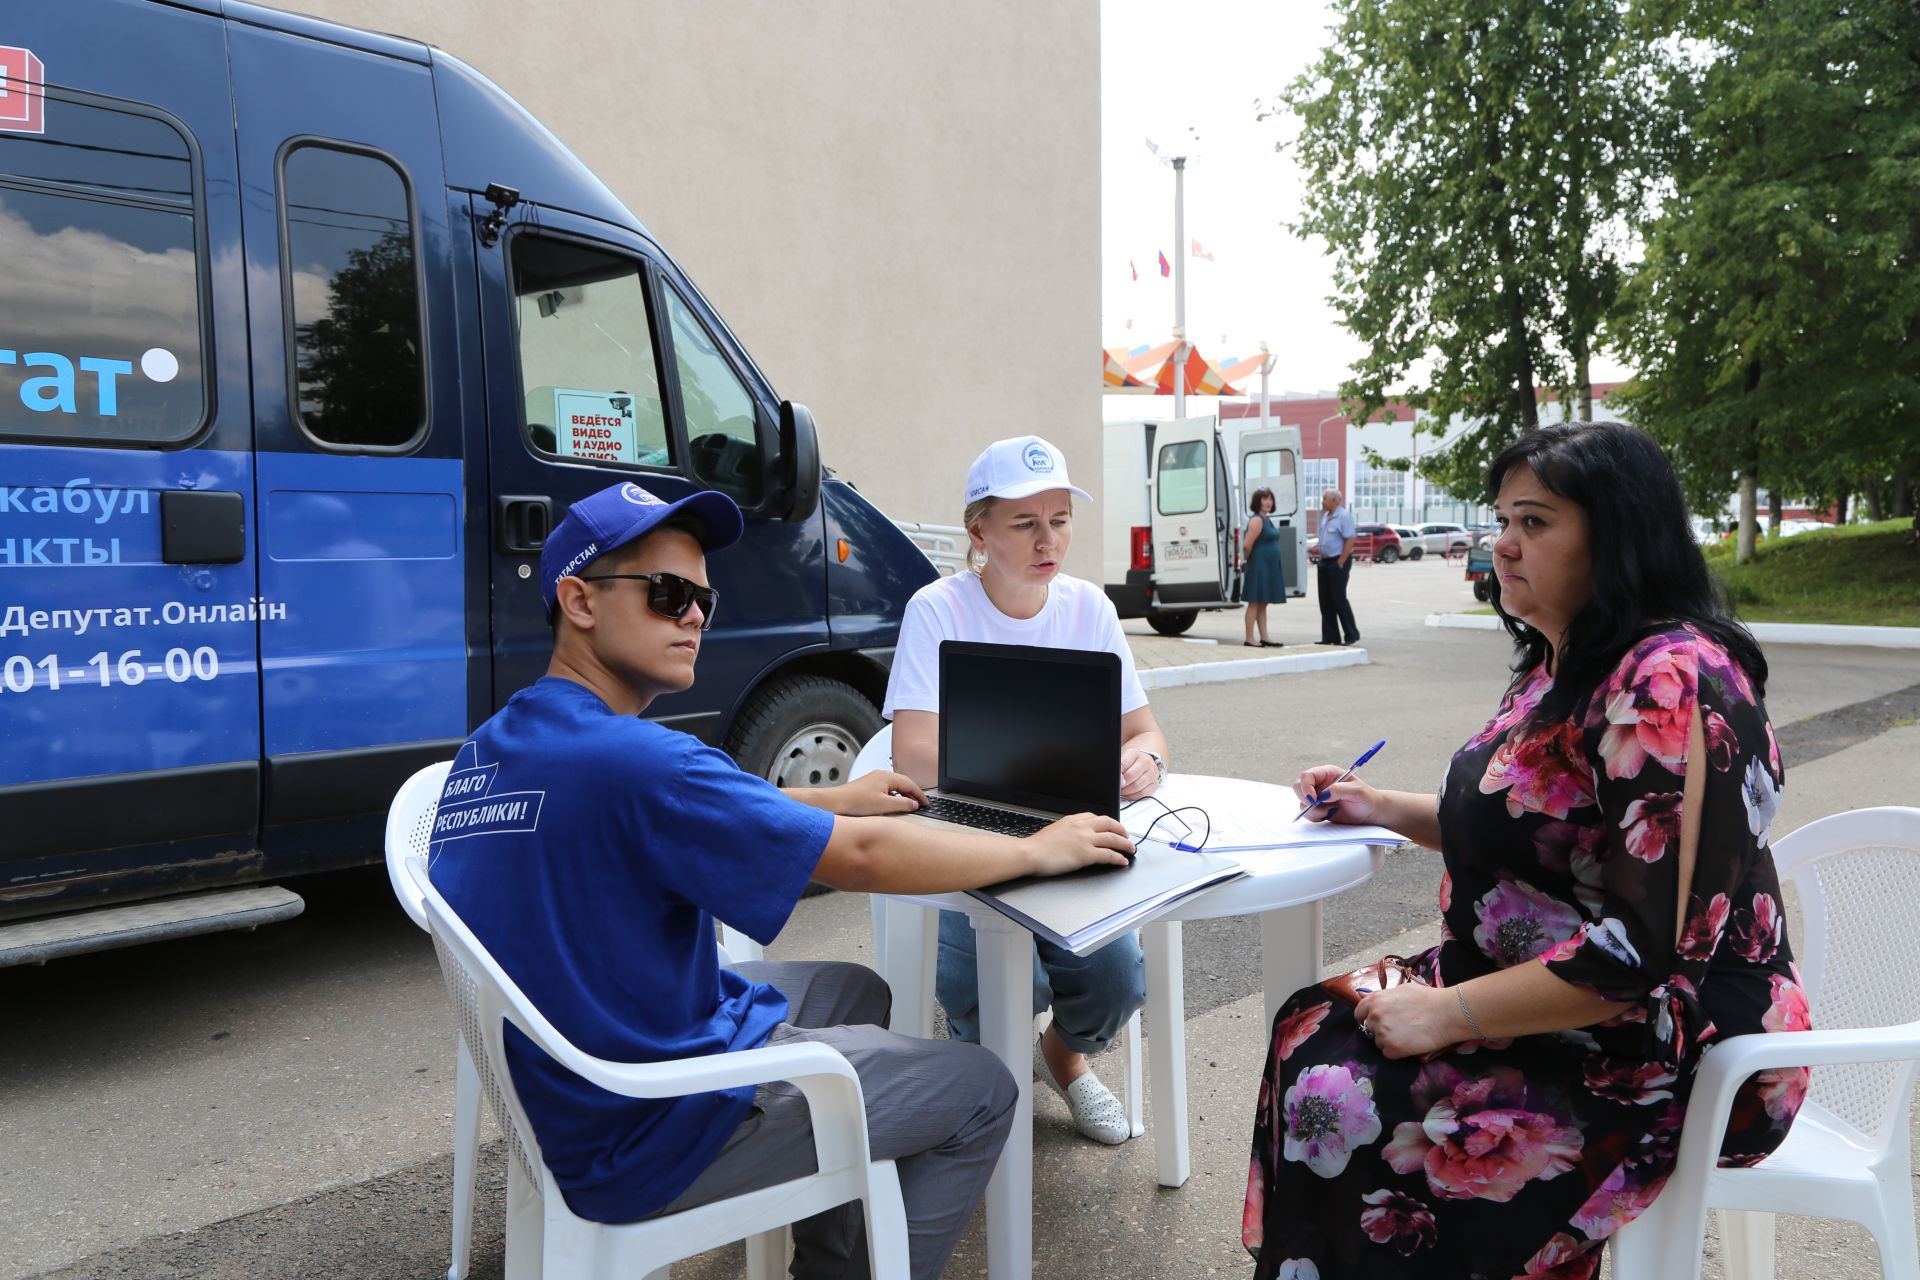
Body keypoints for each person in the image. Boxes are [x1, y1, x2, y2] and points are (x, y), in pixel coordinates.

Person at [428, 480, 1134, 1280]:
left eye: (702, 597)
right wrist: (1038, 848)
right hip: (648, 1124)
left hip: (569, 1079)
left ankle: (823, 1232)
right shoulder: (640, 762)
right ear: (578, 601)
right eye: (665, 593)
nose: (692, 614)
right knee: (980, 1088)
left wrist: (831, 797)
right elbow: (859, 859)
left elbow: (684, 803)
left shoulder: (495, 747)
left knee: (850, 991)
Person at [1241, 422, 1808, 1280]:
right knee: (1312, 1028)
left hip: (1664, 1041)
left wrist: (1443, 1014)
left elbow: (1641, 956)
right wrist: (1383, 807)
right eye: (1501, 518)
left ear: (1616, 535)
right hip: (1542, 993)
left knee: (1350, 1100)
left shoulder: (1667, 681)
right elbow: (1533, 825)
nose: (1502, 544)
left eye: (1534, 523)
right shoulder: (1565, 657)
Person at [884, 434, 1169, 1146]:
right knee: (987, 988)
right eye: (1026, 522)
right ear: (978, 530)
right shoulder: (938, 608)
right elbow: (915, 757)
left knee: (1119, 982)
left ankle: (1061, 1061)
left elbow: (1146, 732)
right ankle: (987, 1077)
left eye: (1061, 519)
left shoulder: (1089, 609)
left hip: (1073, 831)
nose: (1051, 540)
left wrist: (1145, 762)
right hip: (971, 834)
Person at [1241, 485, 1288, 647]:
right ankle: (1249, 638)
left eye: (1270, 499)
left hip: (1268, 567)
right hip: (1259, 567)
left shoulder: (1267, 519)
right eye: (1264, 498)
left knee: (1263, 602)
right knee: (1255, 602)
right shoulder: (1256, 520)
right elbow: (1247, 545)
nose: (1268, 502)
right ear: (1257, 501)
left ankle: (1265, 636)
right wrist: (1247, 561)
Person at [1316, 487, 1359, 646]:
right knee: (1325, 600)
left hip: (1337, 561)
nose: (1322, 501)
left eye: (1324, 498)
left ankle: (1351, 634)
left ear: (1334, 500)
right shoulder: (1326, 516)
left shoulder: (1343, 516)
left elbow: (1350, 539)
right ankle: (1330, 636)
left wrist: (1341, 561)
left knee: (1338, 598)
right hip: (1325, 562)